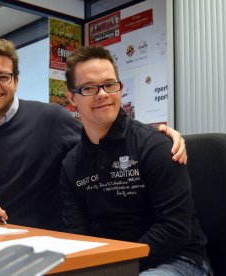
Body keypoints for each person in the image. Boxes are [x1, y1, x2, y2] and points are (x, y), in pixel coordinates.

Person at [0, 37, 186, 231]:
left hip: (47, 240)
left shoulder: (51, 119)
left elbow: (102, 136)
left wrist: (157, 136)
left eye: (3, 77)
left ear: (16, 81)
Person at [60, 45, 211, 275]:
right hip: (111, 265)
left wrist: (117, 268)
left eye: (109, 84)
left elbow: (175, 228)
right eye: (89, 88)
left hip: (178, 260)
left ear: (120, 89)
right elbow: (77, 233)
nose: (102, 94)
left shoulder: (155, 146)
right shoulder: (71, 164)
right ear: (71, 97)